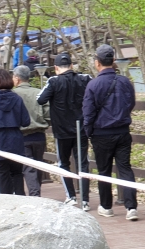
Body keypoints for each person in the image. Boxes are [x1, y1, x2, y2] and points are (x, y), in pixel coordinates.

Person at [83, 44, 139, 221]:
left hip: (101, 133)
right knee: (125, 168)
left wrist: (89, 132)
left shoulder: (93, 84)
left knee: (104, 170)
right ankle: (131, 207)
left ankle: (106, 206)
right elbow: (131, 103)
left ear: (97, 63)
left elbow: (88, 112)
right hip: (122, 131)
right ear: (113, 61)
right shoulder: (125, 82)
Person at [37, 53, 92, 210]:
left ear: (56, 68)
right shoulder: (85, 79)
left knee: (64, 163)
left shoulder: (53, 81)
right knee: (83, 163)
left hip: (61, 130)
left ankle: (71, 196)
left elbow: (40, 99)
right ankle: (86, 201)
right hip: (81, 128)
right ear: (72, 66)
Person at [13, 65, 50, 196]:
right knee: (38, 165)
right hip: (39, 135)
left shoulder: (13, 95)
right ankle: (36, 192)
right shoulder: (38, 92)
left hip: (22, 136)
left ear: (17, 79)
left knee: (28, 167)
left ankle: (35, 195)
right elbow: (48, 114)